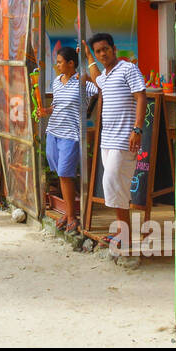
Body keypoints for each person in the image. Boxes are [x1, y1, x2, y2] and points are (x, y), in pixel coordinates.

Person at [81, 33, 147, 242]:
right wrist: (88, 54)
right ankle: (122, 232)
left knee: (113, 181)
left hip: (125, 139)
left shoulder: (128, 68)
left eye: (105, 49)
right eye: (98, 51)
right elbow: (94, 76)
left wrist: (137, 130)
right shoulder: (105, 76)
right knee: (115, 185)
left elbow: (141, 96)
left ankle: (124, 233)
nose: (102, 54)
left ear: (114, 49)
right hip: (107, 140)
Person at [38, 47, 98, 234]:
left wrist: (87, 73)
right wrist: (46, 111)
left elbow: (100, 86)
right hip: (54, 132)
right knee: (61, 174)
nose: (57, 65)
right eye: (56, 62)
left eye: (59, 62)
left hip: (71, 134)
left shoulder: (82, 83)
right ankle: (67, 212)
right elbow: (57, 105)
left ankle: (71, 216)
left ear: (71, 63)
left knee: (65, 173)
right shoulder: (57, 82)